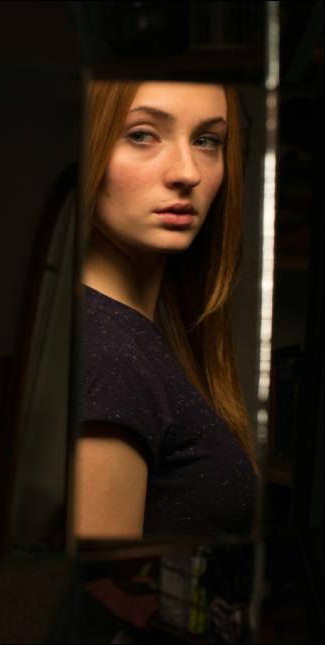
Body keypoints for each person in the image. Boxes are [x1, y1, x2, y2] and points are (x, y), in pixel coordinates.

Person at [74, 81, 258, 539]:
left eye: (207, 140)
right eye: (142, 135)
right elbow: (103, 580)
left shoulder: (144, 331)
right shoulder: (108, 353)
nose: (187, 172)